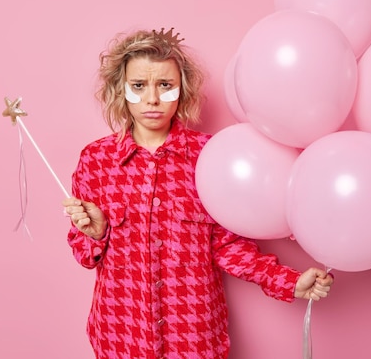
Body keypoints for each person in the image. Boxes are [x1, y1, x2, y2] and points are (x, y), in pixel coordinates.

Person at [62, 28, 334, 358]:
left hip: (194, 339)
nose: (152, 99)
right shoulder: (97, 159)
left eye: (165, 85)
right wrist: (95, 233)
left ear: (182, 89)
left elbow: (229, 246)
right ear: (121, 90)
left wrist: (287, 281)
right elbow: (83, 253)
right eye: (139, 86)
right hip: (120, 335)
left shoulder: (211, 158)